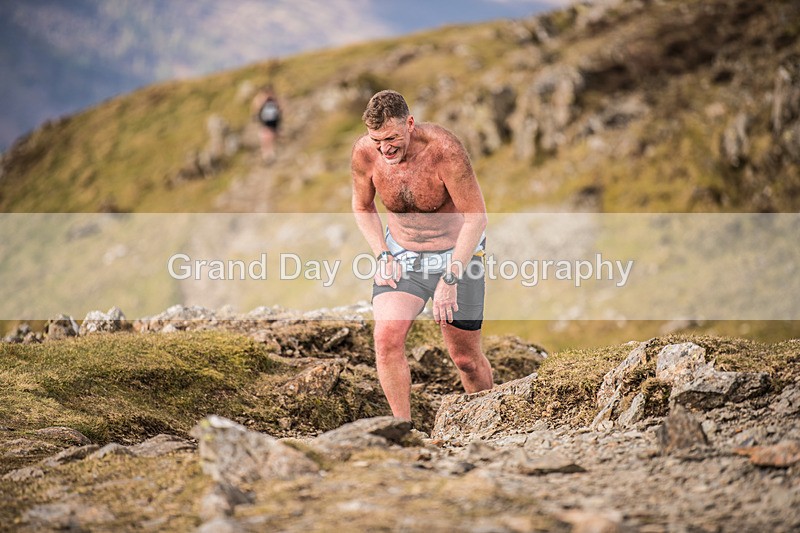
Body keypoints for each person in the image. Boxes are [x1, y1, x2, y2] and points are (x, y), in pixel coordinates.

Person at [351, 90, 494, 421]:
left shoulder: (444, 151)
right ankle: (404, 432)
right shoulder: (365, 154)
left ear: (410, 124)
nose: (385, 148)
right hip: (402, 255)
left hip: (458, 253)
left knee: (466, 360)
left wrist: (451, 277)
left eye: (391, 138)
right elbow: (362, 206)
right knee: (386, 339)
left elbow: (477, 218)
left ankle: (490, 424)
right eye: (376, 140)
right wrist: (382, 254)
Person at [251, 86, 281, 163]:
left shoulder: (274, 100)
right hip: (265, 122)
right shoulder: (262, 100)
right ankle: (267, 156)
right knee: (266, 138)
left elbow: (279, 109)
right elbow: (256, 107)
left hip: (273, 122)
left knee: (271, 137)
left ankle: (270, 155)